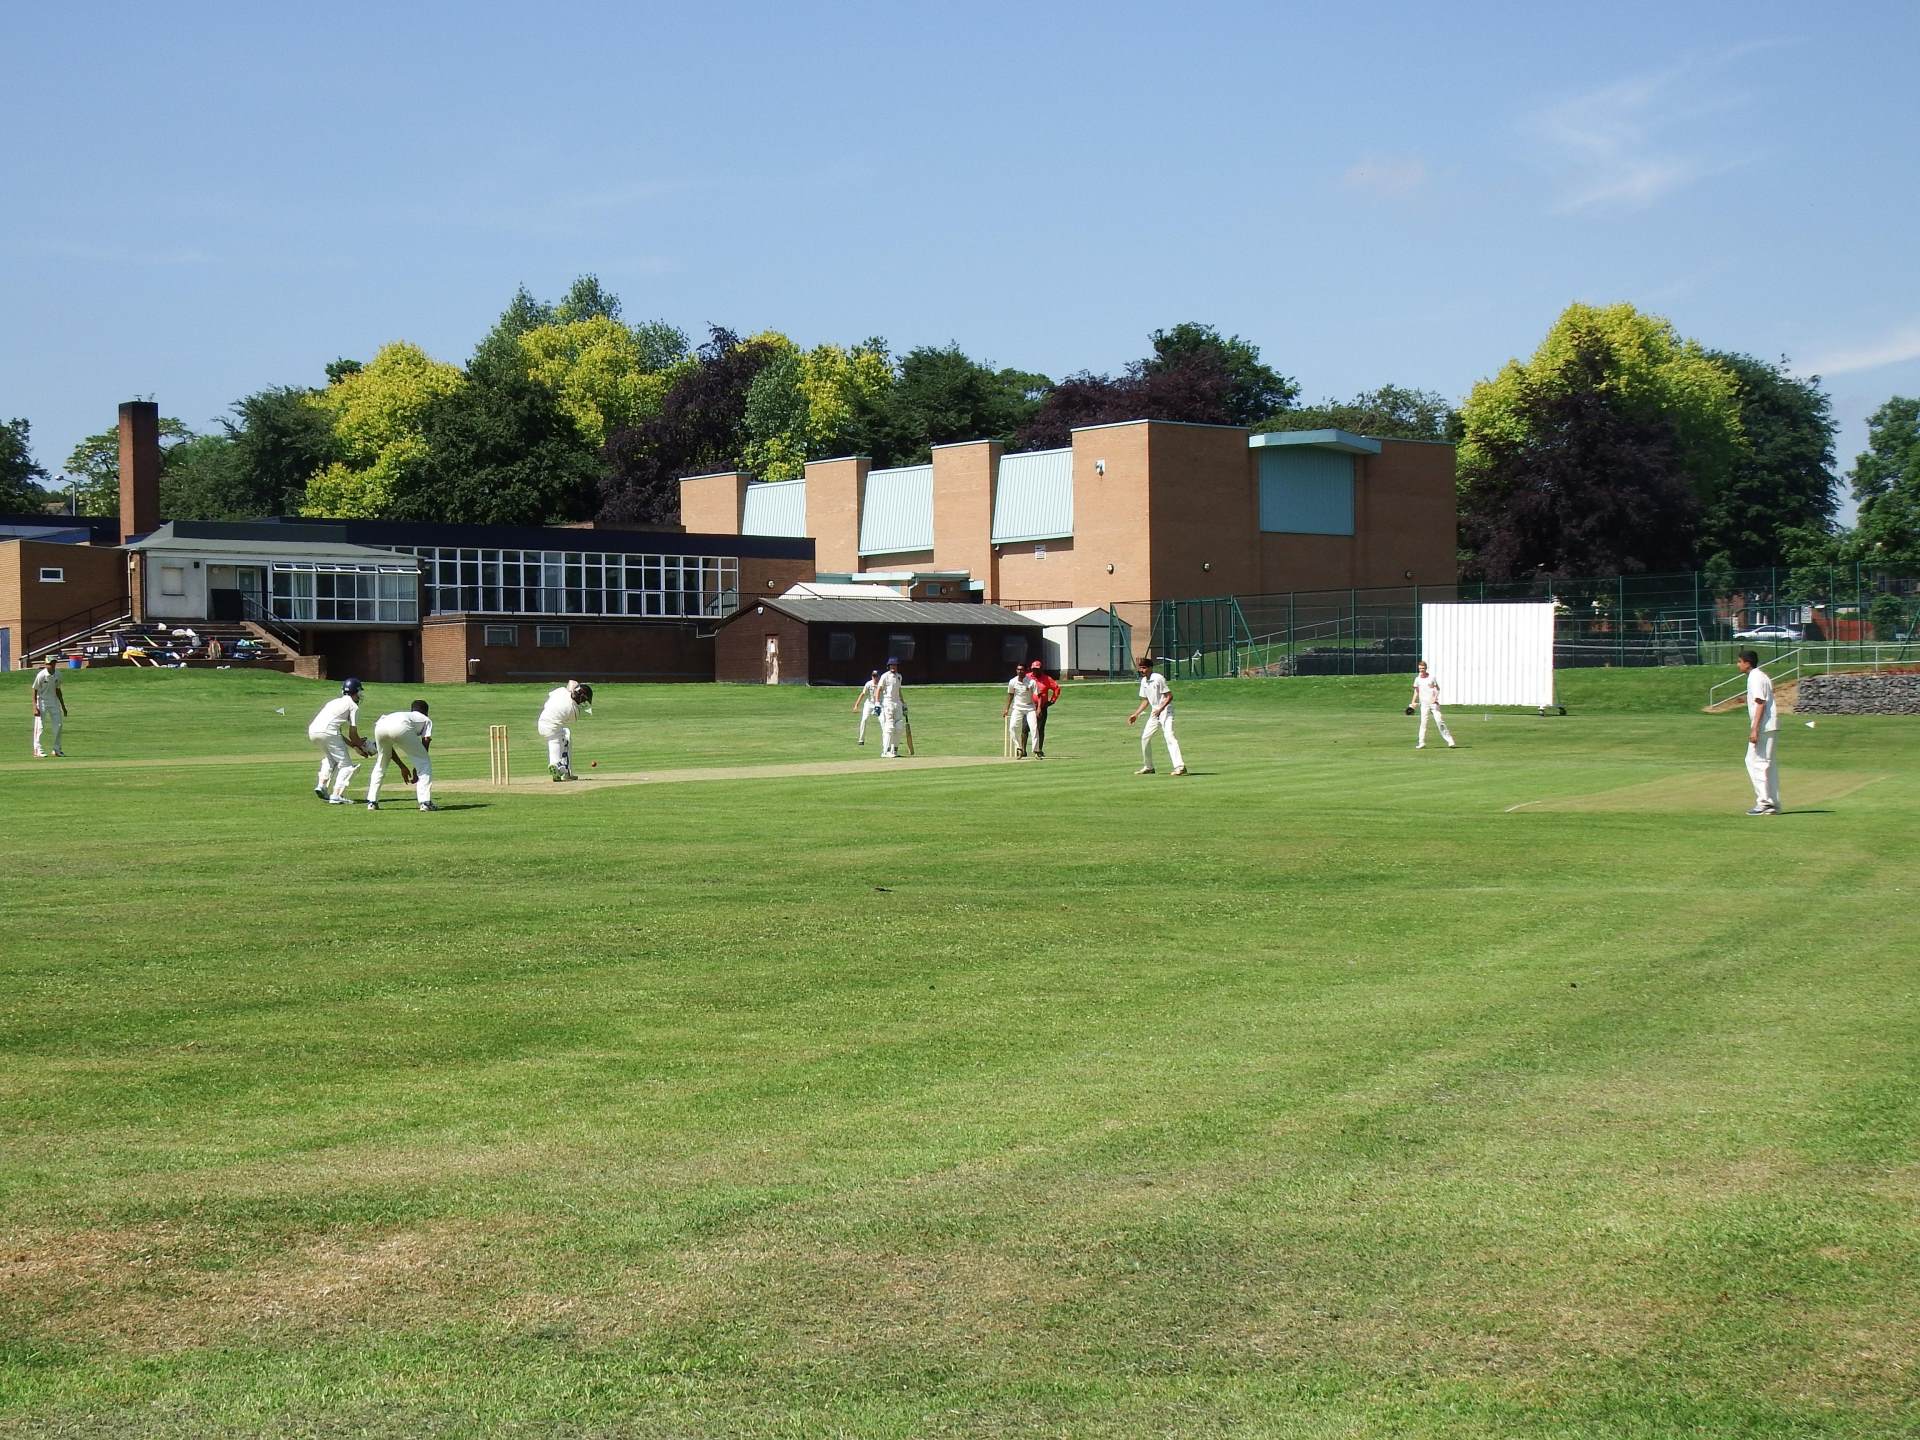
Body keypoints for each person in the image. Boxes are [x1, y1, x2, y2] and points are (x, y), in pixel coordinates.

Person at [307, 678, 372, 804]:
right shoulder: (353, 706)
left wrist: (354, 745)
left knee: (331, 759)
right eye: (359, 692)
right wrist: (362, 747)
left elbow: (338, 734)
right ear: (356, 692)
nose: (360, 696)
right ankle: (336, 795)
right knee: (346, 766)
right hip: (329, 733)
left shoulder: (333, 702)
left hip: (314, 732)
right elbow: (353, 734)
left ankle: (322, 786)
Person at [366, 700, 436, 812]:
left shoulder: (407, 715)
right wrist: (417, 767)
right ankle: (425, 803)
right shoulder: (426, 719)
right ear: (426, 712)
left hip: (381, 725)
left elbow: (388, 752)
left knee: (381, 763)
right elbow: (426, 740)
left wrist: (402, 766)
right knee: (424, 763)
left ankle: (372, 802)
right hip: (401, 725)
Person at [1126, 654, 1186, 776]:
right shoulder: (1144, 681)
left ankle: (1180, 767)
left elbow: (1169, 696)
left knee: (1170, 736)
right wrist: (1136, 714)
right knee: (1145, 738)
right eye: (1140, 668)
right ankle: (1149, 767)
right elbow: (1145, 700)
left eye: (1144, 668)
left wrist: (1161, 708)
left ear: (1150, 668)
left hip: (1166, 711)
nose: (1141, 670)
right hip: (1155, 712)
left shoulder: (1158, 678)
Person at [1737, 648, 1781, 815]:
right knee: (1767, 764)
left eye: (1739, 661)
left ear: (1747, 663)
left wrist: (1754, 729)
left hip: (1764, 726)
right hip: (1770, 725)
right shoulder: (1762, 676)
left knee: (1756, 761)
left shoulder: (1755, 677)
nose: (1738, 664)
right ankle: (1772, 804)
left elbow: (1760, 703)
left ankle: (1764, 802)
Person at [538, 679, 594, 781]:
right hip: (553, 728)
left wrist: (569, 690)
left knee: (556, 738)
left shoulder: (561, 691)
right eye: (583, 700)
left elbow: (571, 682)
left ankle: (556, 765)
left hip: (541, 722)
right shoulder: (574, 711)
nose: (582, 702)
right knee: (565, 736)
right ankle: (563, 770)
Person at [1409, 660, 1456, 750]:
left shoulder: (1431, 677)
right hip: (1424, 704)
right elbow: (1416, 691)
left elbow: (1437, 689)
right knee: (1423, 723)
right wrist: (1413, 702)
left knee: (1439, 721)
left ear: (1426, 668)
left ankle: (1450, 741)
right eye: (1420, 669)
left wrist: (1435, 698)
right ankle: (1421, 742)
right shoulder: (1417, 679)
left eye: (1423, 668)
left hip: (1433, 704)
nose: (1421, 670)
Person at [31, 658, 67, 757]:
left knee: (58, 725)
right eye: (49, 664)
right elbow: (34, 690)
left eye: (52, 663)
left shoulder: (58, 675)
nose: (51, 665)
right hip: (41, 701)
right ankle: (37, 749)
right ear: (46, 664)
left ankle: (56, 749)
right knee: (40, 726)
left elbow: (58, 690)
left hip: (53, 701)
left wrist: (63, 706)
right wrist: (34, 707)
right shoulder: (41, 675)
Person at [1004, 662, 1038, 758]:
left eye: (1021, 670)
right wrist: (1006, 709)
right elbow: (1010, 695)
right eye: (1018, 670)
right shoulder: (1012, 682)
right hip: (1018, 708)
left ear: (1025, 671)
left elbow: (1038, 696)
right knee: (1012, 727)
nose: (1019, 671)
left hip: (1030, 707)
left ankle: (1035, 750)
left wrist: (1038, 708)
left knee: (1034, 728)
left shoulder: (1031, 682)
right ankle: (1019, 748)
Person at [1027, 659, 1060, 756]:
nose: (1035, 671)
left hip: (1042, 707)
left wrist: (1052, 701)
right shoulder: (1027, 677)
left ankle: (1039, 750)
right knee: (1025, 728)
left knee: (1040, 729)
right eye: (1033, 669)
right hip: (1028, 706)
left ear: (1041, 669)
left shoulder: (1047, 679)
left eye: (1037, 669)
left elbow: (1056, 688)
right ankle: (1023, 751)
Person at [875, 657, 905, 758]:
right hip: (888, 703)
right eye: (891, 665)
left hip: (897, 703)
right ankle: (885, 751)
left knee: (899, 727)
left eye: (895, 665)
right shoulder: (884, 676)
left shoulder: (899, 677)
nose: (893, 667)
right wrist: (877, 703)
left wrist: (903, 703)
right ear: (889, 666)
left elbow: (899, 691)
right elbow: (878, 689)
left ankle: (894, 750)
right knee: (889, 727)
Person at [853, 669, 880, 746]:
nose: (874, 678)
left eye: (876, 676)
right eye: (873, 676)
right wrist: (856, 705)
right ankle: (861, 740)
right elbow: (863, 694)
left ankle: (888, 739)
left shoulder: (882, 684)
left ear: (879, 677)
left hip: (878, 703)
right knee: (864, 719)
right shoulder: (868, 684)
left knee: (883, 721)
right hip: (869, 704)